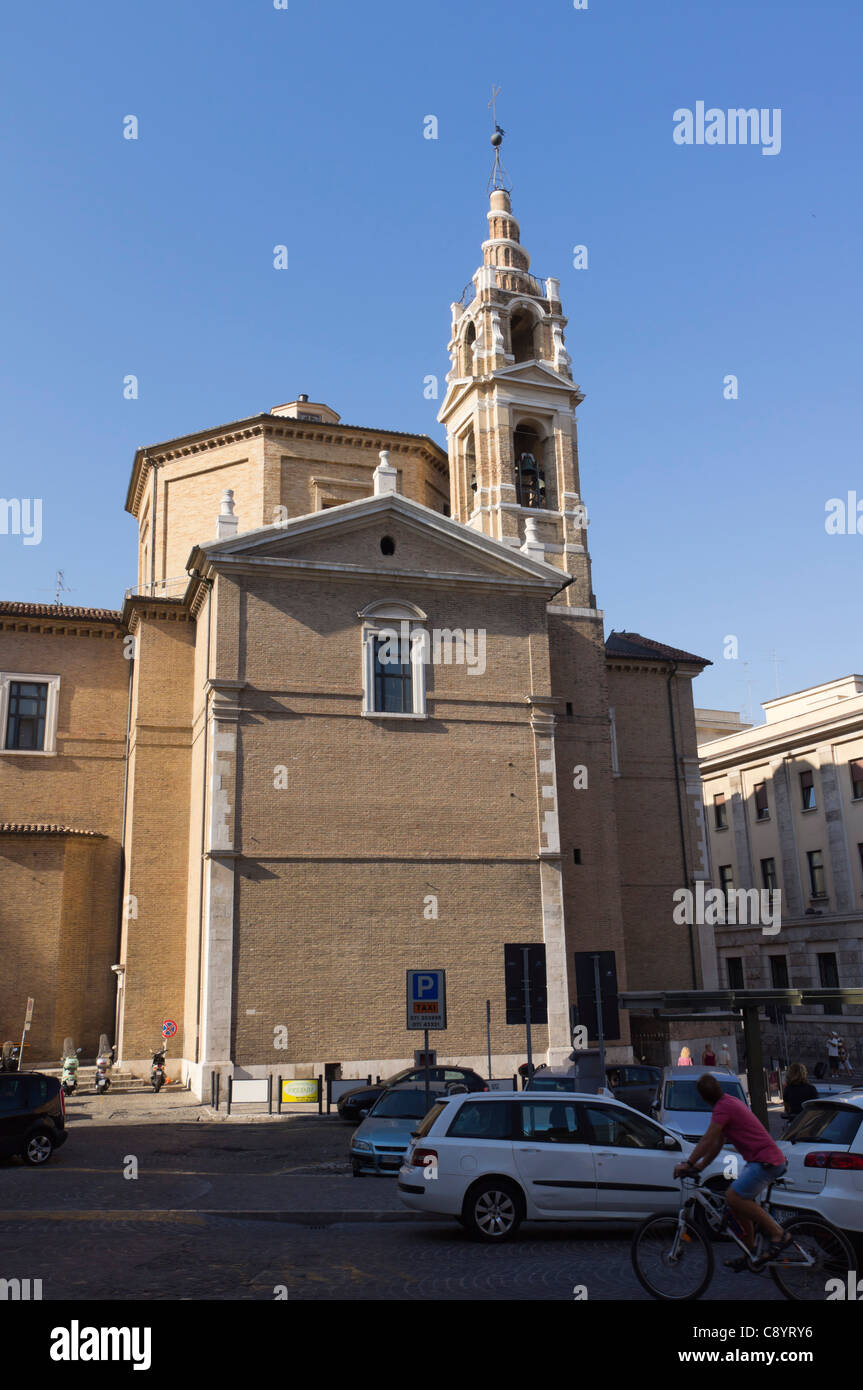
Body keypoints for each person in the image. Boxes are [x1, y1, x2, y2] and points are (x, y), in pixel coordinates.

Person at [673, 1073, 790, 1268]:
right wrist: (700, 1166)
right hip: (762, 1160)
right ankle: (750, 1251)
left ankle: (779, 1234)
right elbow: (717, 1144)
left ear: (702, 1097)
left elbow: (707, 1139)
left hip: (765, 1161)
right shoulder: (729, 1102)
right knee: (737, 1203)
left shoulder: (723, 1109)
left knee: (733, 1197)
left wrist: (688, 1163)